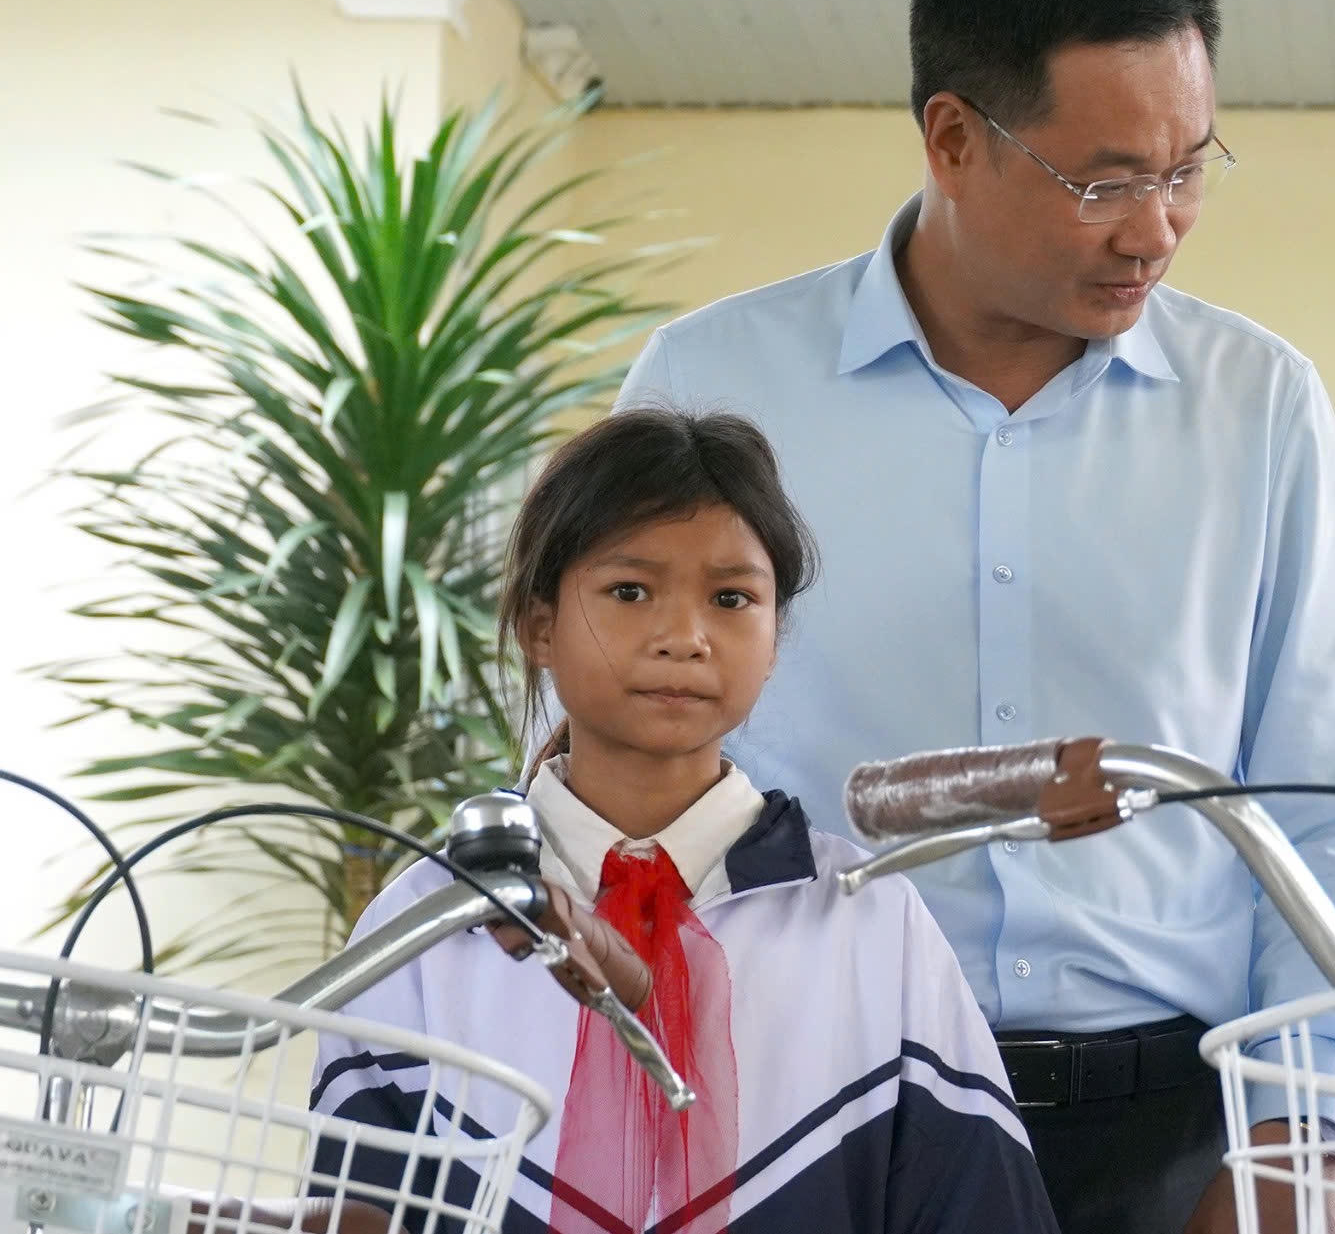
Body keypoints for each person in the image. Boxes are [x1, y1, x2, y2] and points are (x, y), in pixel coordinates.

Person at [611, 0, 1335, 1234]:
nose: (1155, 228)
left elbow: (1327, 809)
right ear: (954, 138)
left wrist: (1295, 1146)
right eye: (1105, 181)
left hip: (1168, 1134)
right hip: (811, 1112)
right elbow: (609, 757)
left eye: (1188, 169)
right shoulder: (713, 387)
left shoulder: (1258, 405)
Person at [309, 409, 1058, 1234]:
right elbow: (355, 1205)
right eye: (630, 591)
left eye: (731, 598)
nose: (685, 637)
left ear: (774, 639)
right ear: (539, 626)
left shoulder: (866, 921)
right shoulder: (428, 926)